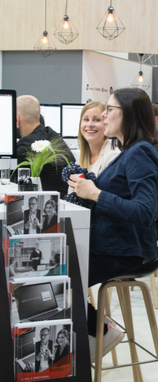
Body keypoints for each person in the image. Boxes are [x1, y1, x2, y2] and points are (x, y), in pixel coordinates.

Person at [68, 87, 158, 362]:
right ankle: (98, 331)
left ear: (128, 114)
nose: (104, 117)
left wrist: (94, 193)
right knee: (52, 273)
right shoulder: (127, 152)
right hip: (110, 246)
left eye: (109, 110)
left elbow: (145, 212)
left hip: (124, 251)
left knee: (55, 281)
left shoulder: (140, 153)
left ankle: (101, 331)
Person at [16, 95, 75, 197]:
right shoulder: (52, 135)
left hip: (50, 208)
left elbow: (0, 176)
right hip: (65, 204)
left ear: (17, 120)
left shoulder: (25, 147)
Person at [77, 101, 120, 176]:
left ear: (106, 124)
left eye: (97, 120)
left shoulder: (113, 156)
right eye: (86, 119)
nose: (90, 124)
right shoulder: (81, 156)